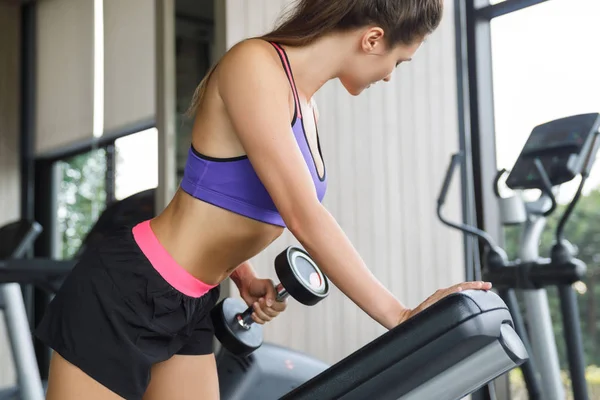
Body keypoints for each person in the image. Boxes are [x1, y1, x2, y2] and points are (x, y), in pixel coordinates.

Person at [35, 0, 492, 399]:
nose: (391, 76)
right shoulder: (255, 66)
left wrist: (244, 274)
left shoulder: (306, 105)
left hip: (191, 300)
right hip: (127, 289)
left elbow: (217, 191)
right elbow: (302, 213)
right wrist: (401, 314)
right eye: (399, 61)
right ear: (373, 38)